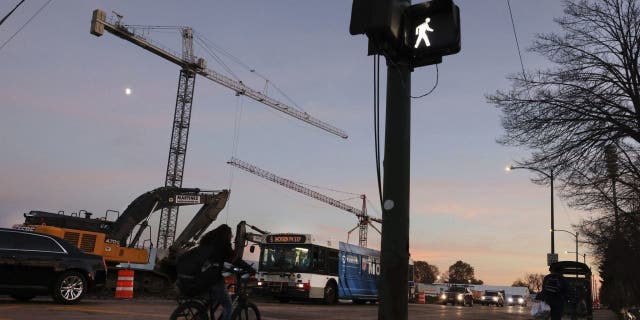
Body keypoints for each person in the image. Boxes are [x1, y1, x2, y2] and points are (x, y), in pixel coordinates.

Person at [199, 224, 235, 320]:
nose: (232, 237)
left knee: (212, 301)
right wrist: (248, 268)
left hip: (201, 276)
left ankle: (200, 315)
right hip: (214, 278)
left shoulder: (206, 241)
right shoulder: (224, 244)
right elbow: (234, 258)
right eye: (231, 235)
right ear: (226, 235)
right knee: (228, 307)